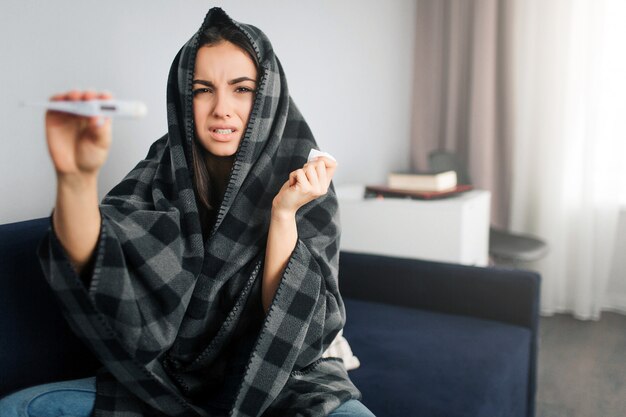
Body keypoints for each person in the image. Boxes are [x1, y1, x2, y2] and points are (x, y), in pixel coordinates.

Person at [0, 7, 375, 417]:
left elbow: (302, 337)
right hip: (169, 385)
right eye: (202, 90)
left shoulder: (305, 174)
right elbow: (102, 256)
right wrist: (75, 179)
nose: (221, 109)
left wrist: (283, 215)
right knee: (21, 408)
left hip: (286, 382)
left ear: (267, 94)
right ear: (183, 97)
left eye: (242, 89)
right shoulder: (164, 169)